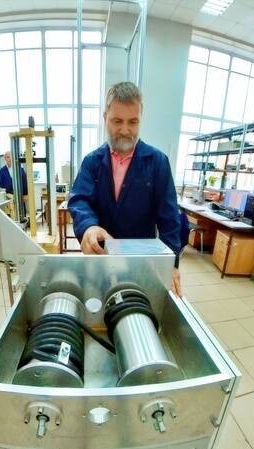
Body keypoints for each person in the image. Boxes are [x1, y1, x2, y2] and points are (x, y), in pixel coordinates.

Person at [68, 81, 183, 295]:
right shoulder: (92, 162)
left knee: (138, 308)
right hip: (101, 258)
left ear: (141, 119)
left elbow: (170, 219)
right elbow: (79, 200)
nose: (125, 130)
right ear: (105, 118)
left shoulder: (157, 162)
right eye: (117, 121)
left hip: (143, 262)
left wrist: (171, 263)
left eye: (133, 122)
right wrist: (88, 227)